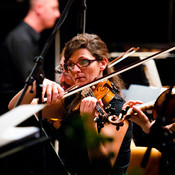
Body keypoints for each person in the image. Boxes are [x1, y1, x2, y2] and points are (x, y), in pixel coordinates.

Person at [9, 33, 133, 175]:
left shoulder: (117, 109)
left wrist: (88, 121)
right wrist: (38, 84)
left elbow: (102, 169)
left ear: (103, 63)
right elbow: (16, 108)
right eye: (70, 65)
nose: (75, 70)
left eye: (84, 62)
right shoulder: (71, 100)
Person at [0, 0, 60, 115]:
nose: (57, 14)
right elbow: (31, 82)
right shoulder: (20, 38)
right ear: (39, 9)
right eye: (54, 8)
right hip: (9, 115)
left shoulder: (26, 37)